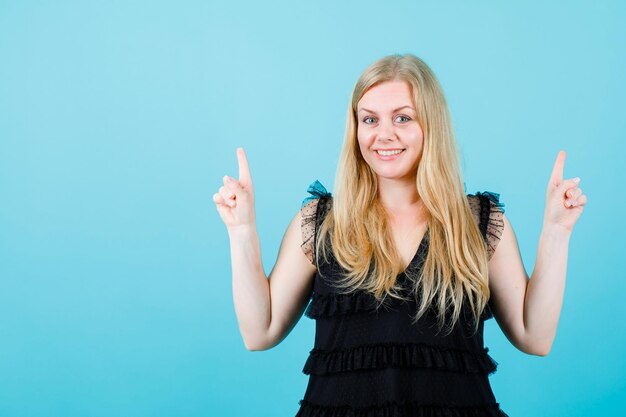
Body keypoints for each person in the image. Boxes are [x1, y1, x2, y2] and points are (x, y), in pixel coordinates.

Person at [213, 54, 587, 417]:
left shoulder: (478, 222)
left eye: (403, 118)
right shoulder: (321, 221)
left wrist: (556, 231)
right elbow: (258, 333)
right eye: (370, 119)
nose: (383, 134)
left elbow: (534, 337)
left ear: (431, 126)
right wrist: (241, 230)